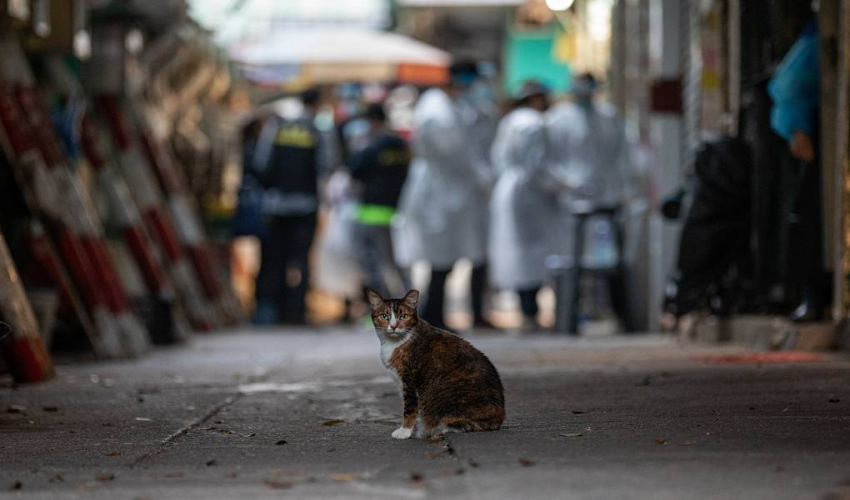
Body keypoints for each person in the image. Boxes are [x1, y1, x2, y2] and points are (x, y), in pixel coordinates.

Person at [394, 61, 494, 330]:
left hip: (449, 191)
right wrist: (481, 178)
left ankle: (434, 312)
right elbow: (455, 153)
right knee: (441, 258)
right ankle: (431, 313)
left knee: (448, 257)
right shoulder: (438, 110)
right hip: (440, 193)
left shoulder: (449, 106)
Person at [546, 73, 632, 332]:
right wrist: (566, 182)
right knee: (570, 264)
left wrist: (624, 191)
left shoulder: (609, 116)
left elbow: (623, 155)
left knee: (609, 263)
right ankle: (566, 320)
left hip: (607, 200)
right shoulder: (558, 118)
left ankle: (619, 316)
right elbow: (548, 159)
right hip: (570, 203)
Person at [489, 81, 560, 331]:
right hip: (530, 194)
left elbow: (497, 157)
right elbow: (536, 165)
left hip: (509, 190)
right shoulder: (535, 123)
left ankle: (527, 310)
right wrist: (558, 183)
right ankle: (532, 311)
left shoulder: (510, 121)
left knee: (518, 254)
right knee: (534, 254)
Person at [768, 18, 825, 322]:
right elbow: (788, 85)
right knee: (809, 215)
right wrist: (798, 126)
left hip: (811, 128)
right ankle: (812, 296)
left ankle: (813, 296)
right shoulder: (817, 36)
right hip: (814, 131)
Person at [252, 89, 324, 325]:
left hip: (275, 205)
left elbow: (261, 163)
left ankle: (268, 312)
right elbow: (327, 165)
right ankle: (298, 312)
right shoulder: (317, 129)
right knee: (301, 260)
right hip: (306, 205)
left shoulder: (276, 126)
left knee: (272, 259)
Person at [347, 102, 412, 300]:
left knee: (372, 262)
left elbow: (353, 170)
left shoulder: (371, 145)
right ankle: (410, 302)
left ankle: (381, 304)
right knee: (397, 260)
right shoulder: (402, 145)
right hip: (398, 211)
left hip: (371, 211)